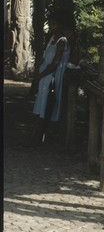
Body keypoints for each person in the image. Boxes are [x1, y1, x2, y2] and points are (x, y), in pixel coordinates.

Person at [29, 9, 74, 145]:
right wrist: (37, 74)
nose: (51, 26)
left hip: (51, 78)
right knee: (40, 107)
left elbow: (55, 64)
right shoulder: (51, 39)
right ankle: (36, 136)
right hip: (44, 77)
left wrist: (40, 76)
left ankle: (39, 137)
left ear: (60, 25)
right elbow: (44, 59)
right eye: (50, 23)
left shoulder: (62, 41)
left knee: (45, 108)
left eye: (54, 24)